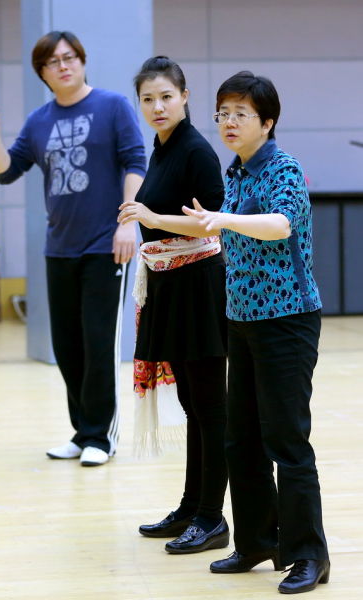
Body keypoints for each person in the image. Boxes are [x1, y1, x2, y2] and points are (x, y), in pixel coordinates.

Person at [180, 71, 330, 594]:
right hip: (241, 320)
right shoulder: (234, 173)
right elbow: (222, 229)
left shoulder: (284, 168)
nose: (228, 122)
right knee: (239, 439)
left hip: (288, 321)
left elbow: (279, 225)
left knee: (286, 440)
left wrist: (222, 219)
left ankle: (309, 554)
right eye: (222, 113)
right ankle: (257, 542)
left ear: (267, 122)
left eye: (240, 114)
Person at [0, 31, 146, 467]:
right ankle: (81, 430)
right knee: (67, 347)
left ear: (82, 61)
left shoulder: (112, 107)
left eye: (70, 57)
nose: (64, 66)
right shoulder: (38, 121)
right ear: (43, 74)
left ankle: (101, 438)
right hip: (60, 248)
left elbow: (135, 162)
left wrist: (127, 223)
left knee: (97, 342)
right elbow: (6, 172)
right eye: (53, 62)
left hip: (106, 245)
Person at [118, 56, 229, 554]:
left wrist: (149, 213)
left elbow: (211, 221)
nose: (157, 106)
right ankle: (191, 507)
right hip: (169, 283)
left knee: (208, 406)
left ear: (185, 96)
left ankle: (211, 518)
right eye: (148, 99)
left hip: (199, 286)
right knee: (192, 405)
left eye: (166, 96)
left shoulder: (197, 151)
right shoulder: (161, 148)